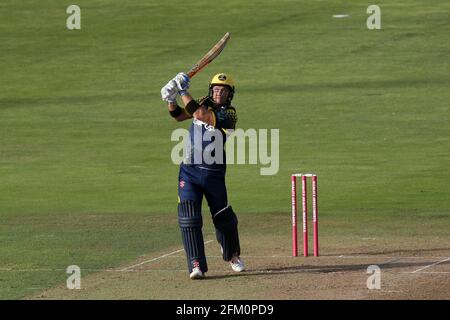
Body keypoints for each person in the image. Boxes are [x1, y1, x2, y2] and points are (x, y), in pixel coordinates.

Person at [161, 72, 245, 279]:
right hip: (189, 171)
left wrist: (182, 90)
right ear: (211, 90)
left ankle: (233, 255)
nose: (218, 93)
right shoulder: (202, 102)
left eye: (223, 90)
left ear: (230, 94)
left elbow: (199, 115)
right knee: (189, 217)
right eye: (216, 89)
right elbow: (179, 116)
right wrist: (171, 100)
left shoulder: (230, 115)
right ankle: (196, 265)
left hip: (214, 173)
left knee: (223, 218)